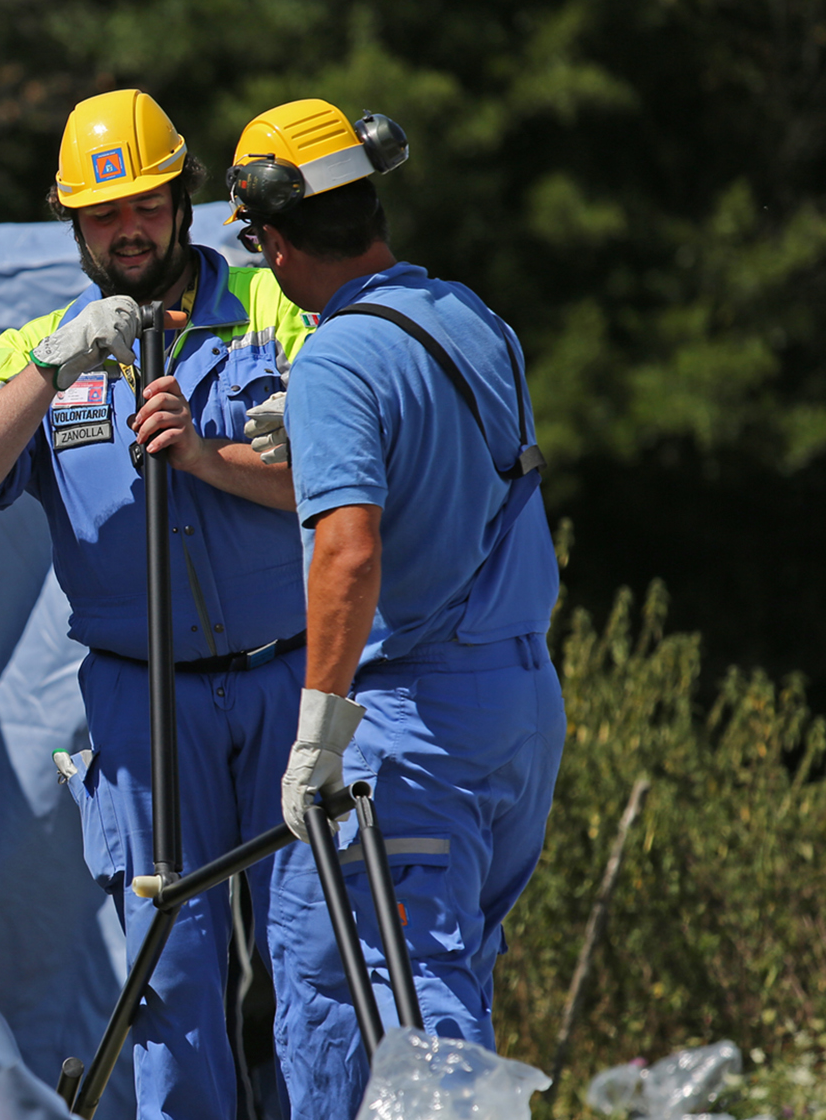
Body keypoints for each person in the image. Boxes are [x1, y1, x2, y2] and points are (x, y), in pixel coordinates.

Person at [0, 89, 313, 1120]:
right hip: (142, 709)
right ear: (73, 225)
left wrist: (206, 455)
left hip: (287, 676)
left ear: (180, 204)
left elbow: (357, 484)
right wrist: (56, 369)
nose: (125, 231)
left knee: (305, 965)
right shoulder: (40, 344)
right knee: (166, 977)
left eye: (142, 205)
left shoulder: (277, 309)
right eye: (100, 216)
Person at [222, 99, 568, 1117]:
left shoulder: (335, 358)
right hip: (512, 707)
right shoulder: (468, 315)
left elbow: (347, 549)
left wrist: (316, 735)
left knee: (413, 1007)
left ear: (273, 245)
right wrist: (324, 426)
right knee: (358, 974)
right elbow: (453, 465)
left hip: (408, 731)